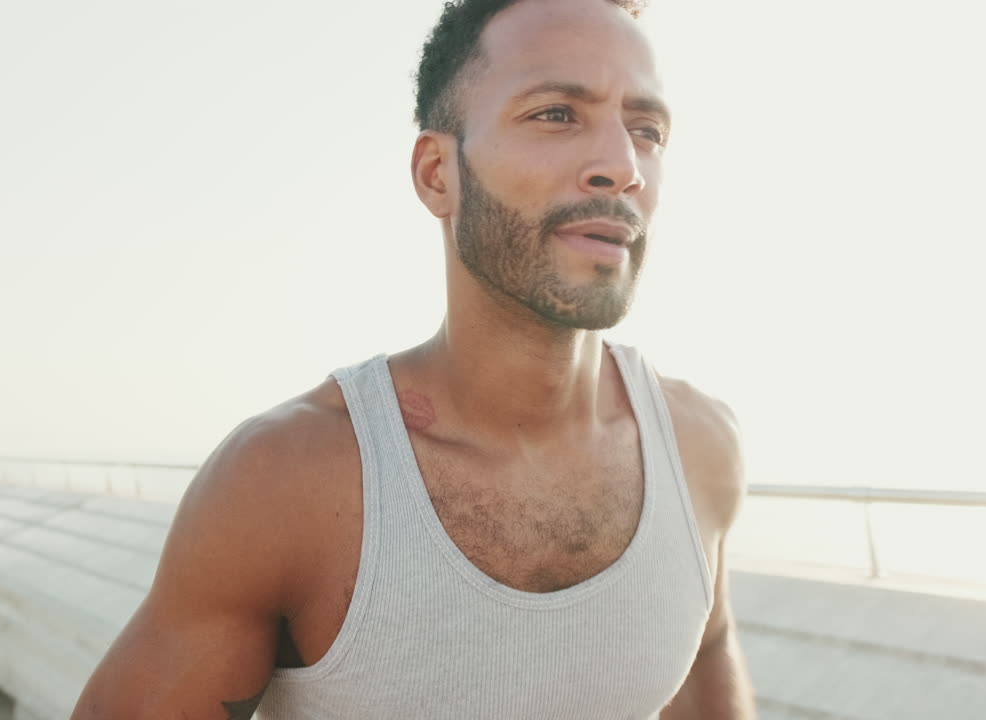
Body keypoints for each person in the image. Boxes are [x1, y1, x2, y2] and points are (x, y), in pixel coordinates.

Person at [72, 0, 754, 717]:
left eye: (646, 131)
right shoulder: (291, 482)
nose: (622, 166)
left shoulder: (699, 449)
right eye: (556, 114)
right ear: (436, 173)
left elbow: (704, 654)